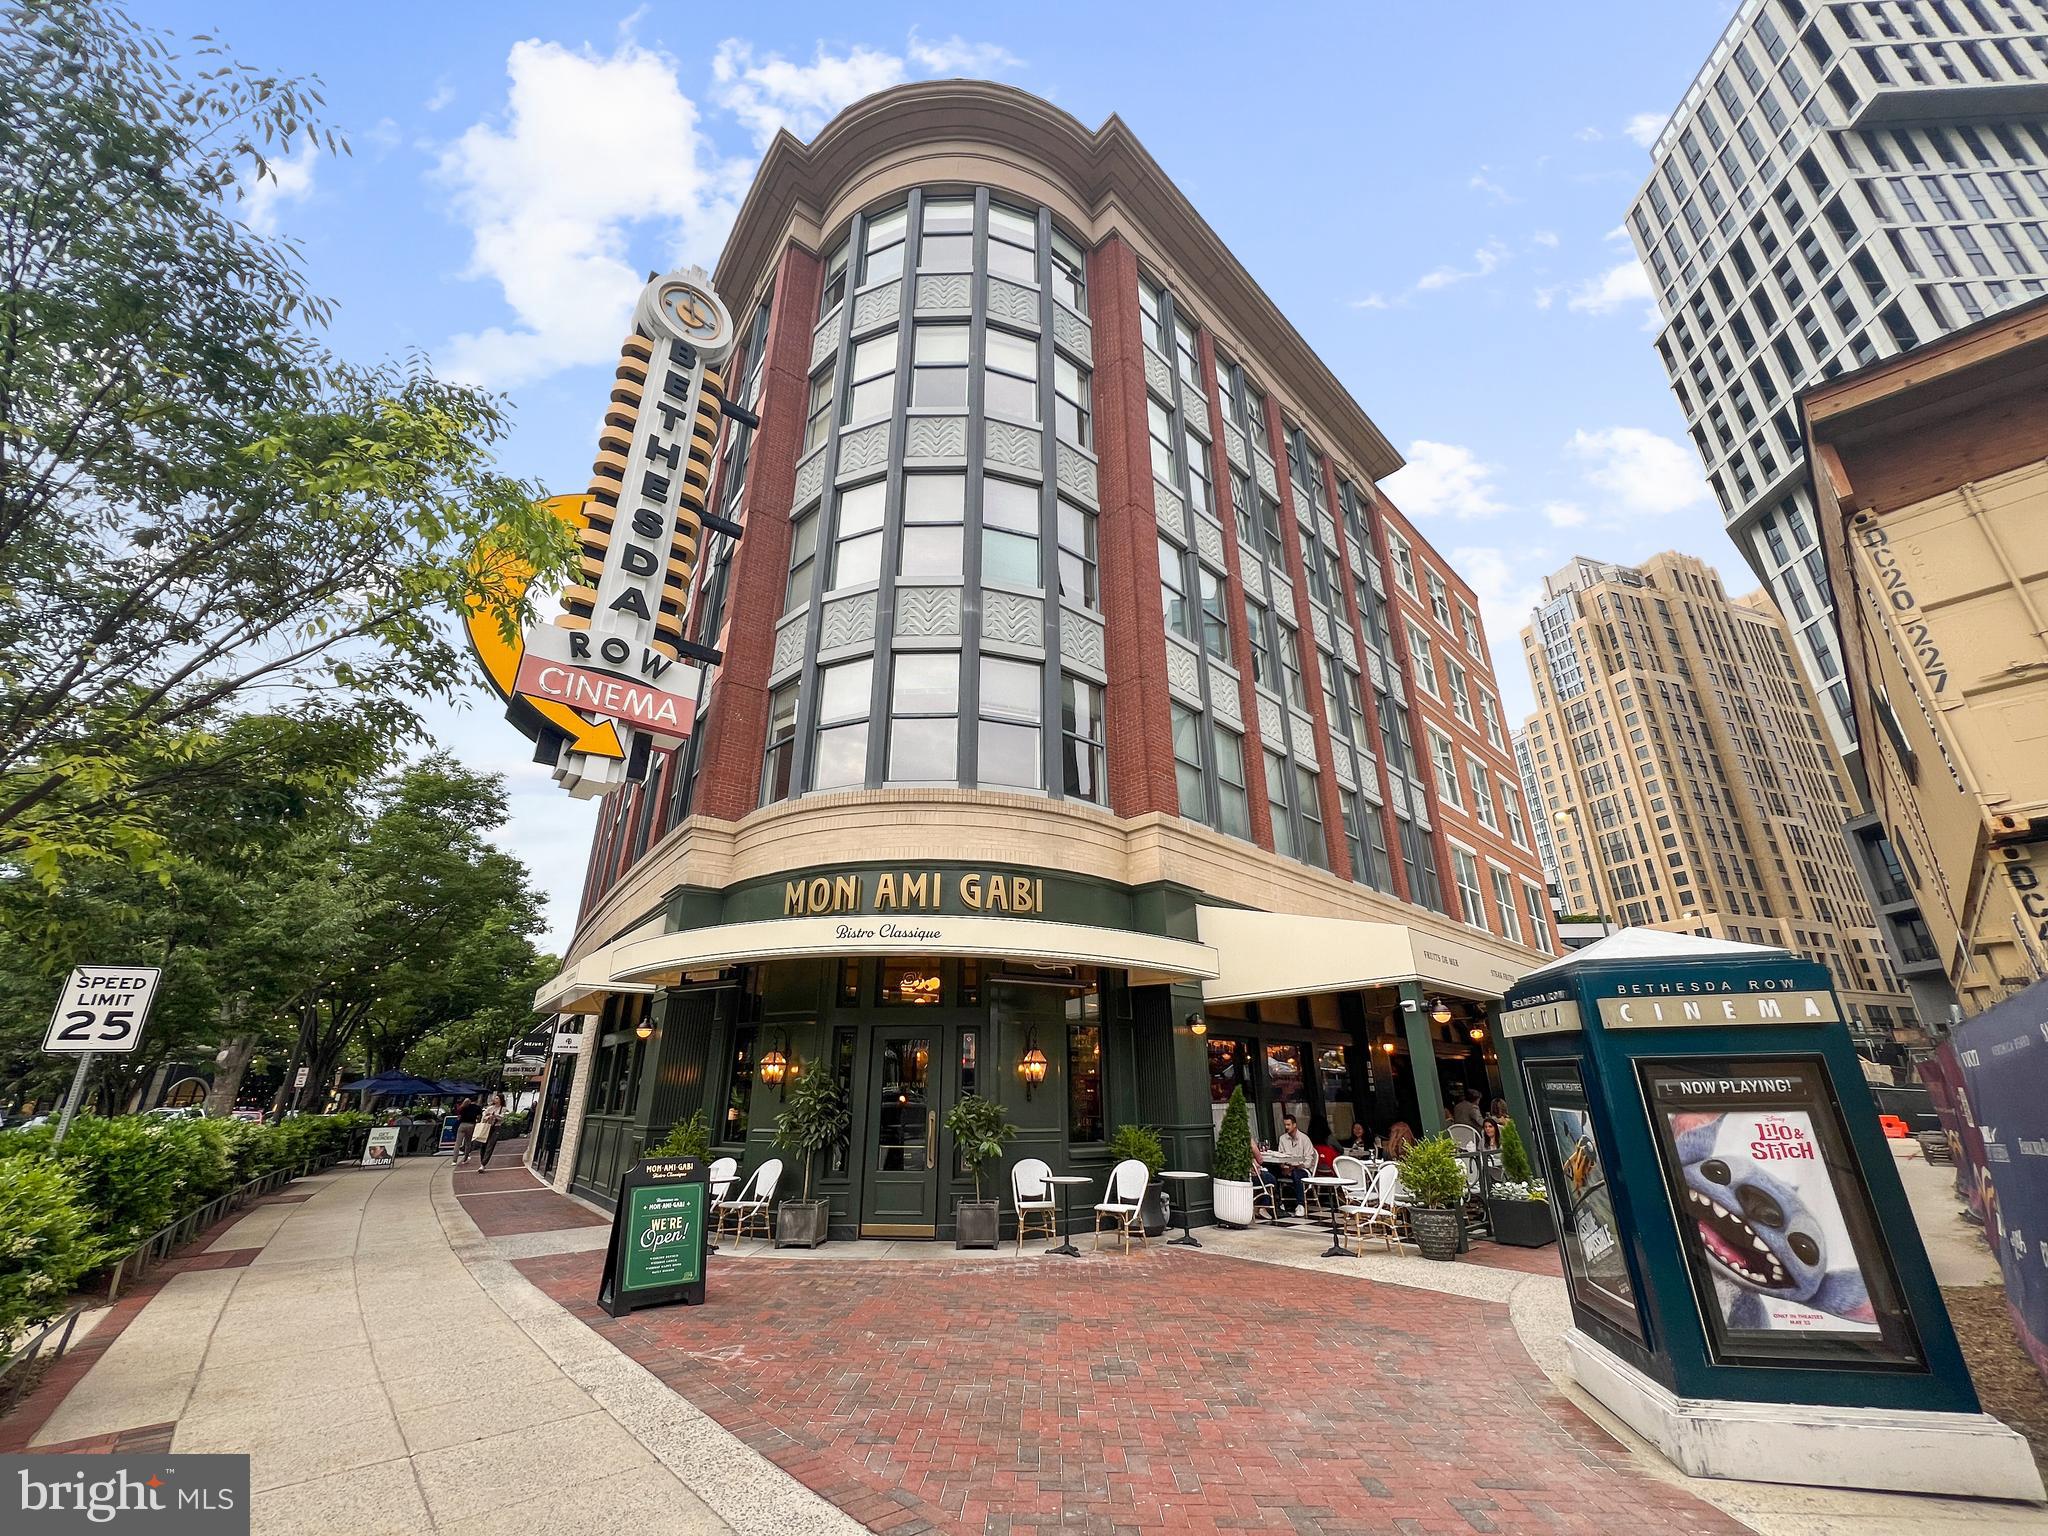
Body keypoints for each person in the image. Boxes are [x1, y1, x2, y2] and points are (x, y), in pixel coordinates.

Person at [1259, 1114, 1317, 1216]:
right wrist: (1283, 1167)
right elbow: (1280, 1156)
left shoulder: (1304, 1139)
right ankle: (1277, 1203)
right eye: (1285, 1125)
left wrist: (1294, 1167)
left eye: (1288, 1125)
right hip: (1287, 1167)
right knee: (1270, 1172)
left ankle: (1300, 1205)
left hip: (1302, 1168)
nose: (1286, 1127)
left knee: (1297, 1174)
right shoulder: (1282, 1138)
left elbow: (1309, 1161)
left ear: (1294, 1125)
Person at [474, 1092, 506, 1169]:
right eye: (495, 1098)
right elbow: (484, 1116)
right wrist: (488, 1117)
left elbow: (502, 1118)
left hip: (496, 1128)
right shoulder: (490, 1108)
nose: (495, 1099)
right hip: (487, 1127)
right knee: (483, 1145)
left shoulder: (503, 1109)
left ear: (501, 1100)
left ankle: (483, 1164)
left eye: (497, 1098)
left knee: (490, 1145)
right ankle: (482, 1161)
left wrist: (495, 1115)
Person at [453, 1097, 481, 1165]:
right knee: (468, 1142)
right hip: (471, 1125)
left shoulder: (464, 1106)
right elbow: (479, 1117)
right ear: (476, 1100)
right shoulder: (477, 1107)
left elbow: (458, 1114)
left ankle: (454, 1160)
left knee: (458, 1143)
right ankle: (465, 1158)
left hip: (462, 1125)